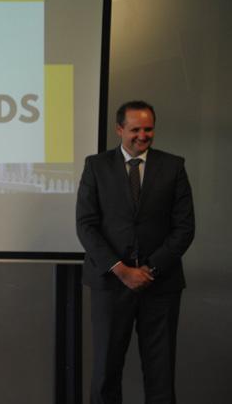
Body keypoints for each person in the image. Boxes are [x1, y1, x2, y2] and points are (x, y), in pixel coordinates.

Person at [76, 101, 195, 403]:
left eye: (148, 129)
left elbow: (184, 228)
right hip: (110, 283)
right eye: (135, 129)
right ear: (119, 129)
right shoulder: (96, 166)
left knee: (160, 374)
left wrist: (149, 269)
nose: (143, 135)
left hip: (160, 284)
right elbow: (86, 225)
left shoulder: (174, 166)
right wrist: (121, 269)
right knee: (105, 372)